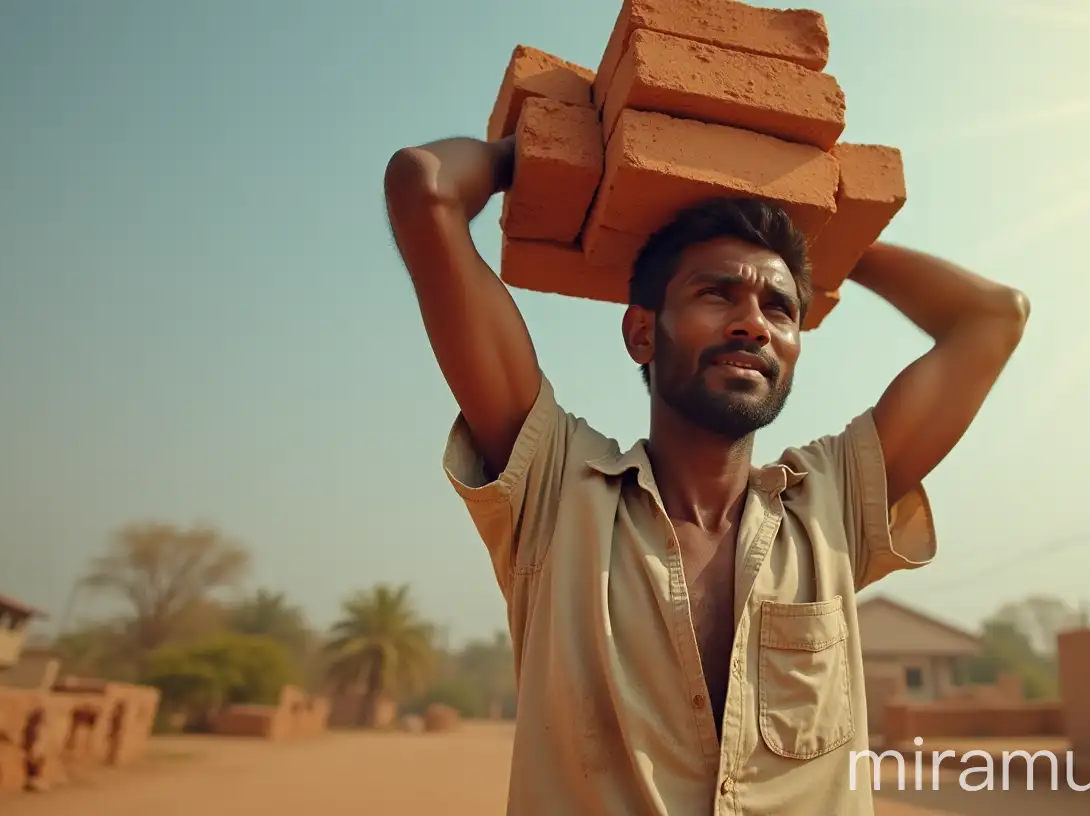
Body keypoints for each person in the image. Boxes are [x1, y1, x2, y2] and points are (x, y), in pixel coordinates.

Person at [383, 132, 1030, 815]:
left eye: (780, 308)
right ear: (641, 333)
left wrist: (826, 230)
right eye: (717, 295)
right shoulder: (553, 485)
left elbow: (993, 317)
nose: (754, 323)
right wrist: (564, 147)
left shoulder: (832, 506)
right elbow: (424, 190)